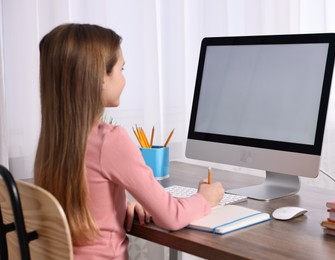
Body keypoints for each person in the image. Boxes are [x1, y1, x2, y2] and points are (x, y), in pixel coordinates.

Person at [34, 23, 224, 260]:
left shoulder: (54, 140)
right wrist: (204, 198)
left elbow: (77, 202)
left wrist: (119, 205)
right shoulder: (110, 140)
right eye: (121, 69)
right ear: (100, 77)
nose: (124, 80)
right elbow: (171, 216)